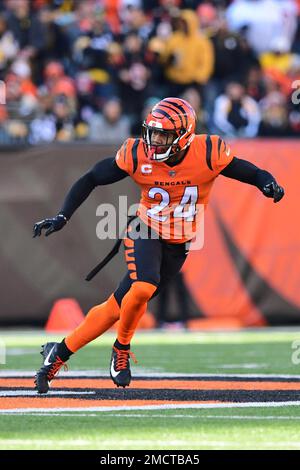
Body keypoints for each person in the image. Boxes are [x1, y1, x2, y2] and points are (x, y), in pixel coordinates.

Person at [33, 97, 284, 393]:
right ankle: (121, 350)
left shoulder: (208, 152)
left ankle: (57, 355)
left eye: (163, 135)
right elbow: (92, 178)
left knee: (117, 307)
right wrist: (63, 215)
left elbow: (249, 171)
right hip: (144, 228)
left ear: (184, 137)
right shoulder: (138, 155)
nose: (154, 141)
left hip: (179, 243)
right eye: (152, 133)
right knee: (143, 286)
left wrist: (267, 182)